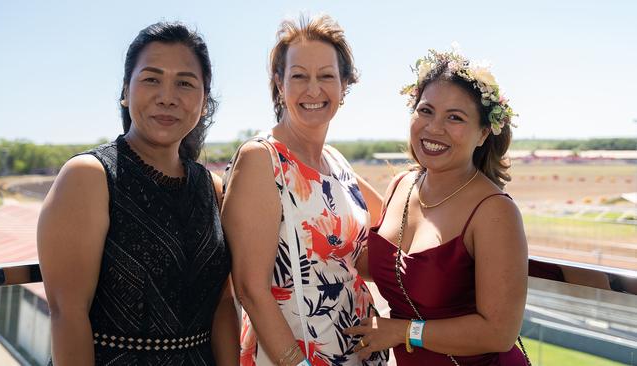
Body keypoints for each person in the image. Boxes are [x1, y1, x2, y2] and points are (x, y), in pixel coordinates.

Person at [37, 22, 238, 365]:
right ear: (125, 92)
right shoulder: (89, 177)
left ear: (204, 102)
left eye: (185, 83)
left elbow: (221, 306)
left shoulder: (212, 188)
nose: (167, 96)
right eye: (151, 79)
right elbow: (67, 314)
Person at [344, 48, 531, 365]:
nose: (434, 128)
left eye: (455, 117)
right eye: (426, 110)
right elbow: (380, 268)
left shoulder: (494, 211)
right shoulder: (401, 186)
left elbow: (499, 332)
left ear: (484, 133)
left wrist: (403, 332)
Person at [221, 14, 387, 366]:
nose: (314, 89)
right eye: (299, 76)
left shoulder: (337, 162)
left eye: (327, 76)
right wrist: (297, 363)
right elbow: (251, 288)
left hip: (354, 350)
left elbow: (384, 230)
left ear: (344, 86)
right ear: (279, 84)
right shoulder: (262, 159)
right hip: (292, 353)